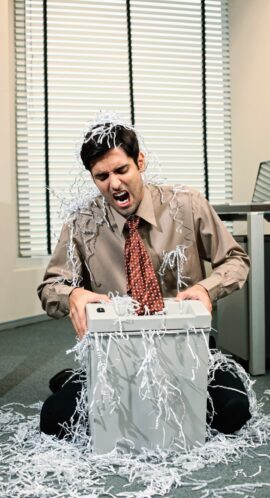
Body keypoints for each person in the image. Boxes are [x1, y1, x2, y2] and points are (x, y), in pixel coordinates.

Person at [38, 116, 251, 439]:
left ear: (140, 161)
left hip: (187, 349)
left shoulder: (187, 204)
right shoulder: (82, 223)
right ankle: (79, 377)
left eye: (121, 170)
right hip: (116, 354)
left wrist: (207, 289)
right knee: (55, 421)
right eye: (102, 176)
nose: (114, 184)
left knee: (233, 411)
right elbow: (49, 287)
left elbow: (235, 260)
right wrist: (72, 296)